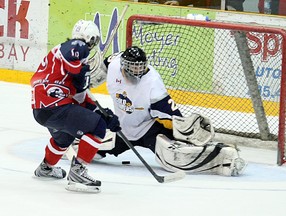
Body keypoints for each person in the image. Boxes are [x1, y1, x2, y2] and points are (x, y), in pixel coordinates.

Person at [89, 46, 246, 176]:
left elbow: (171, 116)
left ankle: (222, 153)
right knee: (90, 148)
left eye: (140, 67)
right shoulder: (114, 63)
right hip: (121, 128)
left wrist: (185, 132)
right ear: (123, 65)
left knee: (173, 158)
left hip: (147, 128)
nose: (137, 72)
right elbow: (99, 70)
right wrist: (85, 79)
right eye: (133, 67)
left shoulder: (152, 82)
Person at [30, 19, 121, 193]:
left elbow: (80, 98)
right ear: (91, 38)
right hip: (54, 106)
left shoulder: (66, 60)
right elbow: (73, 50)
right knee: (97, 127)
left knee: (65, 137)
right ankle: (78, 172)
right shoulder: (77, 47)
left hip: (44, 109)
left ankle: (46, 168)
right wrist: (79, 69)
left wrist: (102, 113)